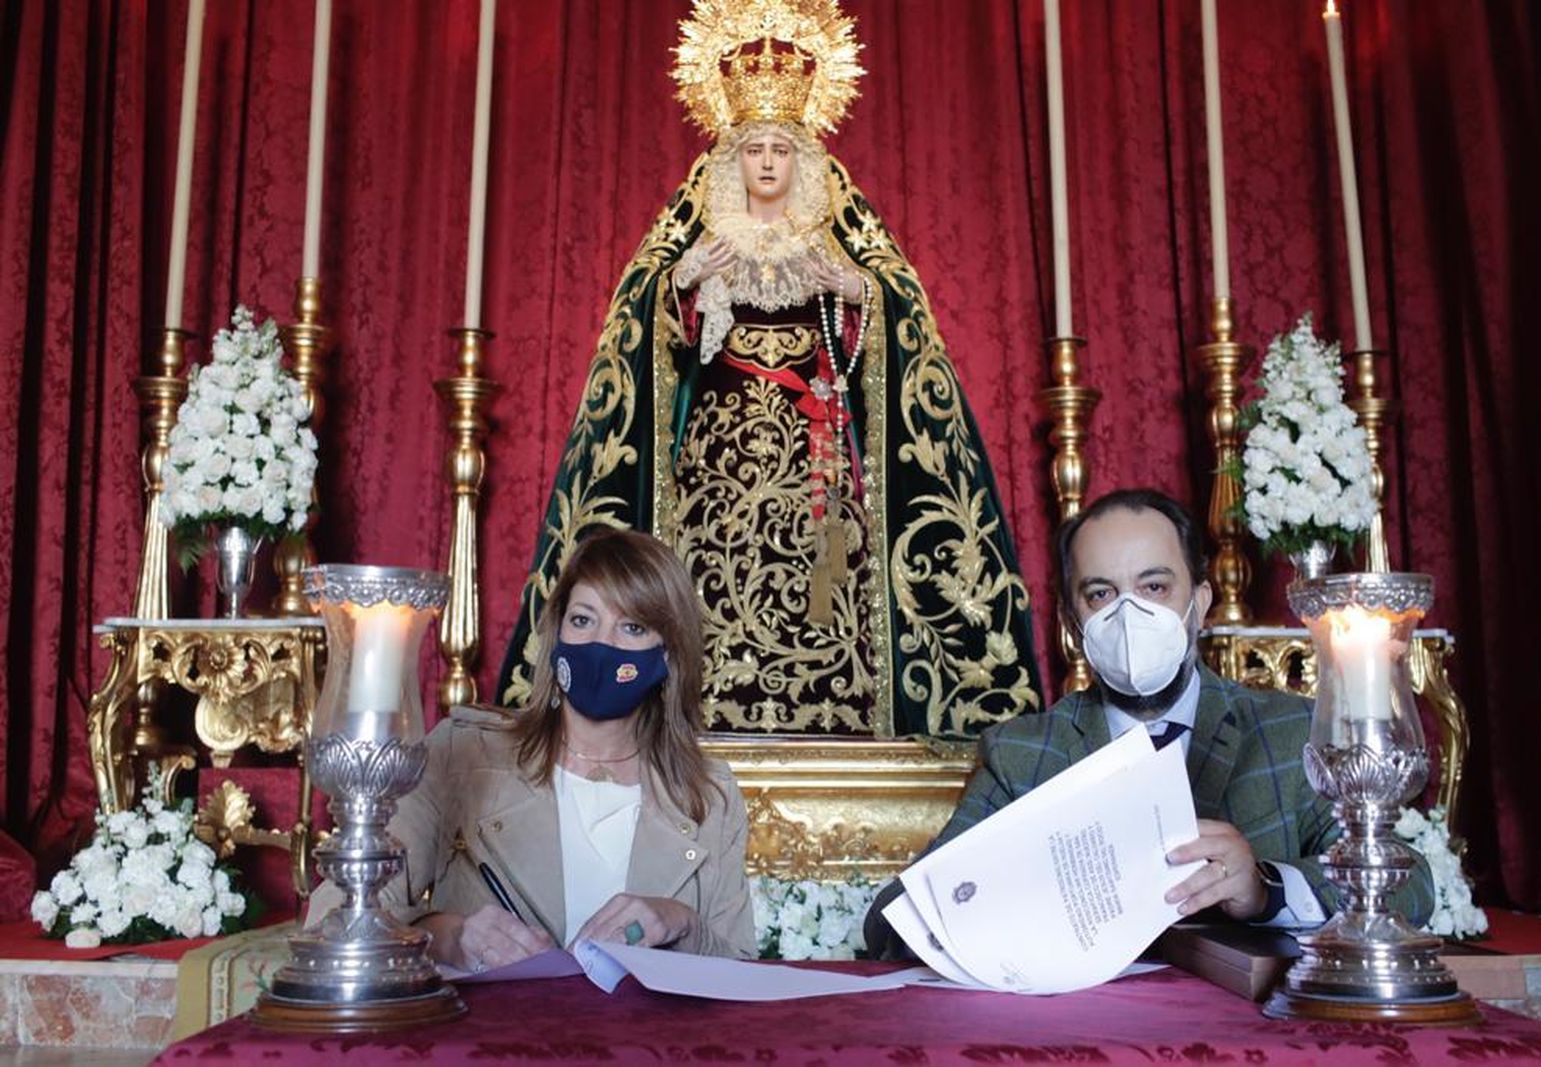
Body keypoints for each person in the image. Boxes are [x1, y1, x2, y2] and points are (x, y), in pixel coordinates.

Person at [495, 2, 1041, 741]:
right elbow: (645, 314)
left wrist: (858, 293)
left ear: (801, 157)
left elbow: (893, 305)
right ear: (734, 157)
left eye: (781, 150)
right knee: (706, 578)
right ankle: (695, 710)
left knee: (821, 579)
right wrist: (682, 280)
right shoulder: (700, 226)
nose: (768, 164)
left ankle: (832, 715)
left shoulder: (835, 229)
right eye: (755, 151)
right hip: (716, 460)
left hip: (813, 455)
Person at [864, 488, 1433, 957]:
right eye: (1101, 593)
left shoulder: (1288, 734)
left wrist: (1267, 888)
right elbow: (894, 920)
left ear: (1201, 602)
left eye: (1154, 587)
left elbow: (1412, 886)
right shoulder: (1026, 752)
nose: (1128, 612)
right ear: (1071, 620)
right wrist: (1023, 887)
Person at [312, 530, 756, 967]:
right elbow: (336, 916)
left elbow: (741, 980)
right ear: (557, 631)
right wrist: (448, 938)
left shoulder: (709, 796)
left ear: (668, 656)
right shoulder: (463, 754)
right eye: (583, 620)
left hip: (647, 1040)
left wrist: (682, 924)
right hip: (488, 1035)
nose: (601, 644)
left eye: (632, 627)